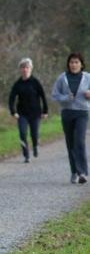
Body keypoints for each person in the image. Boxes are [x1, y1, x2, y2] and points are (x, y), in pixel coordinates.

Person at [51, 52, 90, 184]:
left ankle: (83, 173)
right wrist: (65, 98)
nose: (74, 65)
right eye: (72, 62)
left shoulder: (88, 77)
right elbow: (55, 95)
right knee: (70, 144)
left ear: (81, 64)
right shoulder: (62, 78)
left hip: (82, 112)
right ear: (68, 64)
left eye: (76, 62)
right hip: (67, 112)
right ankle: (74, 171)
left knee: (79, 141)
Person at [9, 58, 49, 163]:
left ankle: (35, 146)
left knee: (34, 134)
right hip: (22, 114)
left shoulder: (35, 82)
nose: (24, 70)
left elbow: (43, 96)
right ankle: (26, 154)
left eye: (27, 67)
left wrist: (45, 111)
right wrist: (13, 112)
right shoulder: (17, 84)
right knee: (22, 133)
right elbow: (11, 98)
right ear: (20, 69)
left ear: (30, 69)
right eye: (22, 67)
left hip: (35, 113)